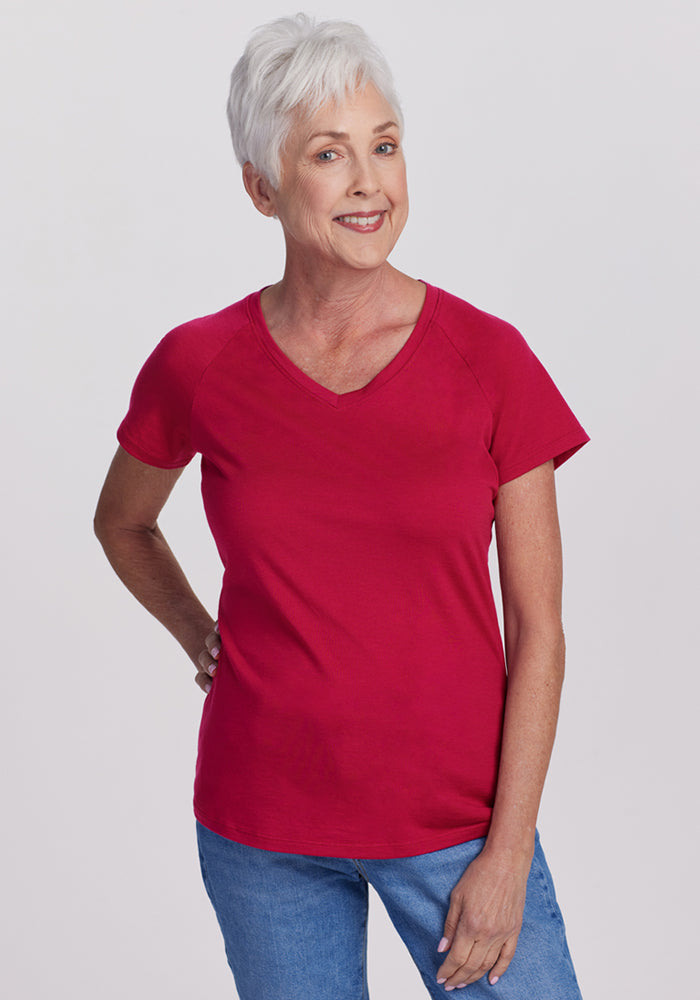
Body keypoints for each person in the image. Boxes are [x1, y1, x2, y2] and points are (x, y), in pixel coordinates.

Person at [94, 13, 588, 998]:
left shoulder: (488, 361)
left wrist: (506, 851)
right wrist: (200, 634)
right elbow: (124, 521)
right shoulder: (199, 365)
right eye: (329, 153)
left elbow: (539, 630)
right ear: (262, 187)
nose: (369, 181)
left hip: (458, 832)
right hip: (261, 830)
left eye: (385, 146)